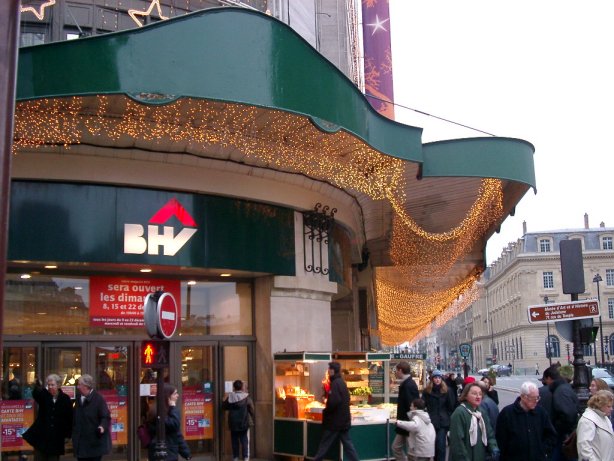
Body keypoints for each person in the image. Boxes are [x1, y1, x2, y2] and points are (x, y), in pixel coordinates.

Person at [495, 381, 557, 460]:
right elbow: (500, 438)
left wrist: (543, 451)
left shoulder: (541, 412)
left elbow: (551, 435)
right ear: (523, 397)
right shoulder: (507, 413)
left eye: (537, 397)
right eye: (533, 398)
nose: (536, 400)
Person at [313, 362, 359, 461]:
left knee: (324, 444)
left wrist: (326, 411)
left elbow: (333, 402)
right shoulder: (342, 382)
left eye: (329, 369)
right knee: (348, 445)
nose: (328, 371)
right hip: (343, 421)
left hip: (335, 422)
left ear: (332, 371)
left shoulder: (335, 384)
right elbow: (347, 398)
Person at [22, 374, 73, 461]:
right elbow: (36, 394)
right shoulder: (44, 395)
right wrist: (37, 386)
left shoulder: (65, 399)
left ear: (58, 385)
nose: (50, 387)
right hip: (42, 436)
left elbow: (69, 418)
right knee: (39, 457)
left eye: (52, 385)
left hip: (56, 437)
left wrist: (68, 435)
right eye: (49, 385)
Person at [448, 382, 499, 461]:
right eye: (474, 394)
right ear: (465, 395)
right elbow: (457, 442)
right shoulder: (459, 413)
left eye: (480, 394)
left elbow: (489, 433)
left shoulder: (481, 412)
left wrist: (493, 447)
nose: (478, 396)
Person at [541, 365, 579, 461]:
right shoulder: (564, 388)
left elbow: (568, 415)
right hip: (564, 434)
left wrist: (556, 427)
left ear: (549, 379)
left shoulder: (560, 391)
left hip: (562, 435)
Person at [72, 374, 112, 461]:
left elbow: (105, 416)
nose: (77, 387)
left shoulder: (98, 399)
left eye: (79, 384)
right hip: (81, 442)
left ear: (86, 386)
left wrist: (102, 427)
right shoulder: (78, 398)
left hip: (94, 443)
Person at [147, 383, 191, 461]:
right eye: (175, 393)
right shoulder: (158, 413)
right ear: (167, 396)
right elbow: (174, 424)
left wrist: (186, 453)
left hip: (168, 452)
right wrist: (173, 407)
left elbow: (176, 434)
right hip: (165, 454)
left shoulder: (166, 411)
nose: (177, 395)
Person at [423, 370, 455, 461]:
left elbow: (451, 406)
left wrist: (448, 418)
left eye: (439, 378)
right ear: (432, 379)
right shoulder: (427, 391)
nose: (437, 380)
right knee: (432, 445)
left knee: (440, 445)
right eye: (436, 378)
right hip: (431, 421)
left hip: (442, 422)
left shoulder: (447, 391)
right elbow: (423, 404)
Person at [392, 361, 420, 461]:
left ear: (400, 370)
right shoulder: (407, 383)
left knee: (410, 452)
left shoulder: (408, 385)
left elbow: (411, 405)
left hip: (407, 423)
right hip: (405, 423)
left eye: (396, 371)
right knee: (396, 447)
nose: (395, 373)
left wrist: (409, 422)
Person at [576, 389, 614, 460]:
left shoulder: (605, 417)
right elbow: (584, 448)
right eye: (608, 406)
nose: (611, 409)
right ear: (600, 405)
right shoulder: (587, 420)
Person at [222, 380, 255, 461]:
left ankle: (235, 457)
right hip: (244, 422)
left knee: (234, 441)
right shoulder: (246, 398)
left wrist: (224, 399)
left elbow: (224, 407)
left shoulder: (230, 397)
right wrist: (251, 416)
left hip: (233, 423)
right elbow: (252, 409)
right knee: (244, 441)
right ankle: (245, 457)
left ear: (234, 388)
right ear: (242, 387)